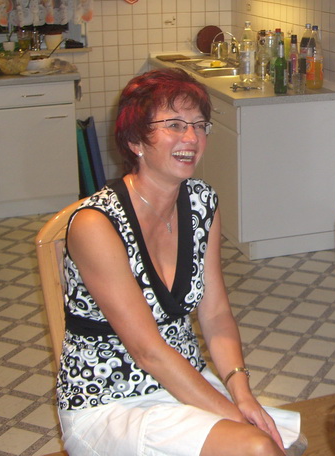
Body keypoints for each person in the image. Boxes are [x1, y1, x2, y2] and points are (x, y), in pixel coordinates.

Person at [56, 68, 297, 456]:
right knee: (257, 446)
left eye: (200, 126)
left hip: (183, 380)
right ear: (135, 140)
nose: (192, 138)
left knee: (280, 440)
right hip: (111, 402)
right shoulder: (95, 225)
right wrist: (236, 418)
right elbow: (147, 350)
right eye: (174, 125)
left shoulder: (202, 202)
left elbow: (216, 314)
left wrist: (241, 392)